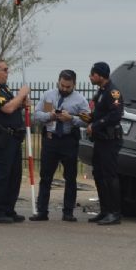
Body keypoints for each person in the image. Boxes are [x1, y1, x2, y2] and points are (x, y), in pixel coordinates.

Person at [30, 70, 91, 222]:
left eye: (68, 87)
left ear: (74, 85)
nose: (64, 89)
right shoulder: (48, 95)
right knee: (45, 177)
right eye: (62, 85)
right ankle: (42, 211)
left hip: (68, 141)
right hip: (50, 140)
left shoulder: (80, 100)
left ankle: (68, 212)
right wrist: (49, 116)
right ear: (58, 81)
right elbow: (36, 115)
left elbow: (87, 120)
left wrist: (71, 118)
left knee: (70, 178)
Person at [0, 59, 31, 224]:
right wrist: (21, 94)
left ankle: (8, 209)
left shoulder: (4, 89)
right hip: (2, 138)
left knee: (14, 175)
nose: (7, 72)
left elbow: (13, 105)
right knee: (1, 175)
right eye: (4, 69)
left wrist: (22, 103)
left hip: (13, 137)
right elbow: (8, 108)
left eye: (7, 69)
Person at [85, 62, 124, 225]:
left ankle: (115, 213)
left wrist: (95, 125)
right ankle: (105, 210)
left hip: (110, 140)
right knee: (99, 175)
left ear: (100, 75)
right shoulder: (100, 92)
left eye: (92, 74)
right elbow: (98, 113)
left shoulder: (112, 92)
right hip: (100, 140)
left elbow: (115, 115)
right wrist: (86, 118)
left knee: (110, 176)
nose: (90, 77)